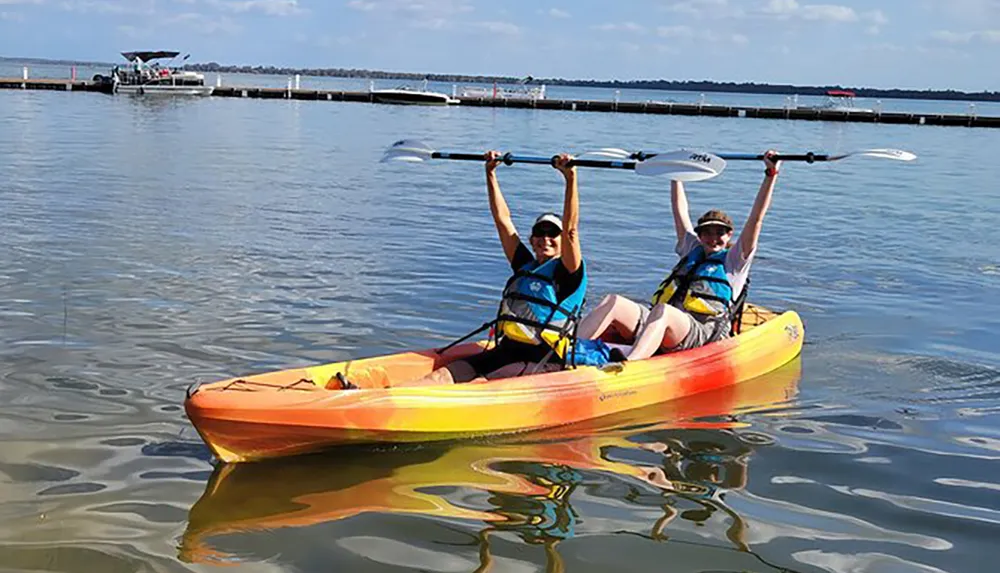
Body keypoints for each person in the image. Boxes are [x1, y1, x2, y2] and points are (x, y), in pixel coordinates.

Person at [396, 150, 586, 386]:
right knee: (442, 375)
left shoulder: (567, 273)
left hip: (543, 361)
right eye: (540, 232)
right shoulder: (524, 266)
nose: (545, 238)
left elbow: (571, 231)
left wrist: (570, 178)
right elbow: (502, 220)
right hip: (506, 351)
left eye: (552, 233)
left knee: (478, 384)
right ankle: (378, 400)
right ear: (531, 238)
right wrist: (490, 173)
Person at [576, 151, 781, 361]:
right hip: (664, 324)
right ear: (699, 235)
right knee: (614, 301)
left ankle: (631, 365)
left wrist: (770, 174)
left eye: (720, 233)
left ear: (729, 234)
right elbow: (680, 210)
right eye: (707, 233)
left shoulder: (736, 260)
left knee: (663, 311)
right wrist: (675, 171)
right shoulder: (692, 248)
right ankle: (568, 350)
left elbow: (756, 218)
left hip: (702, 332)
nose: (713, 238)